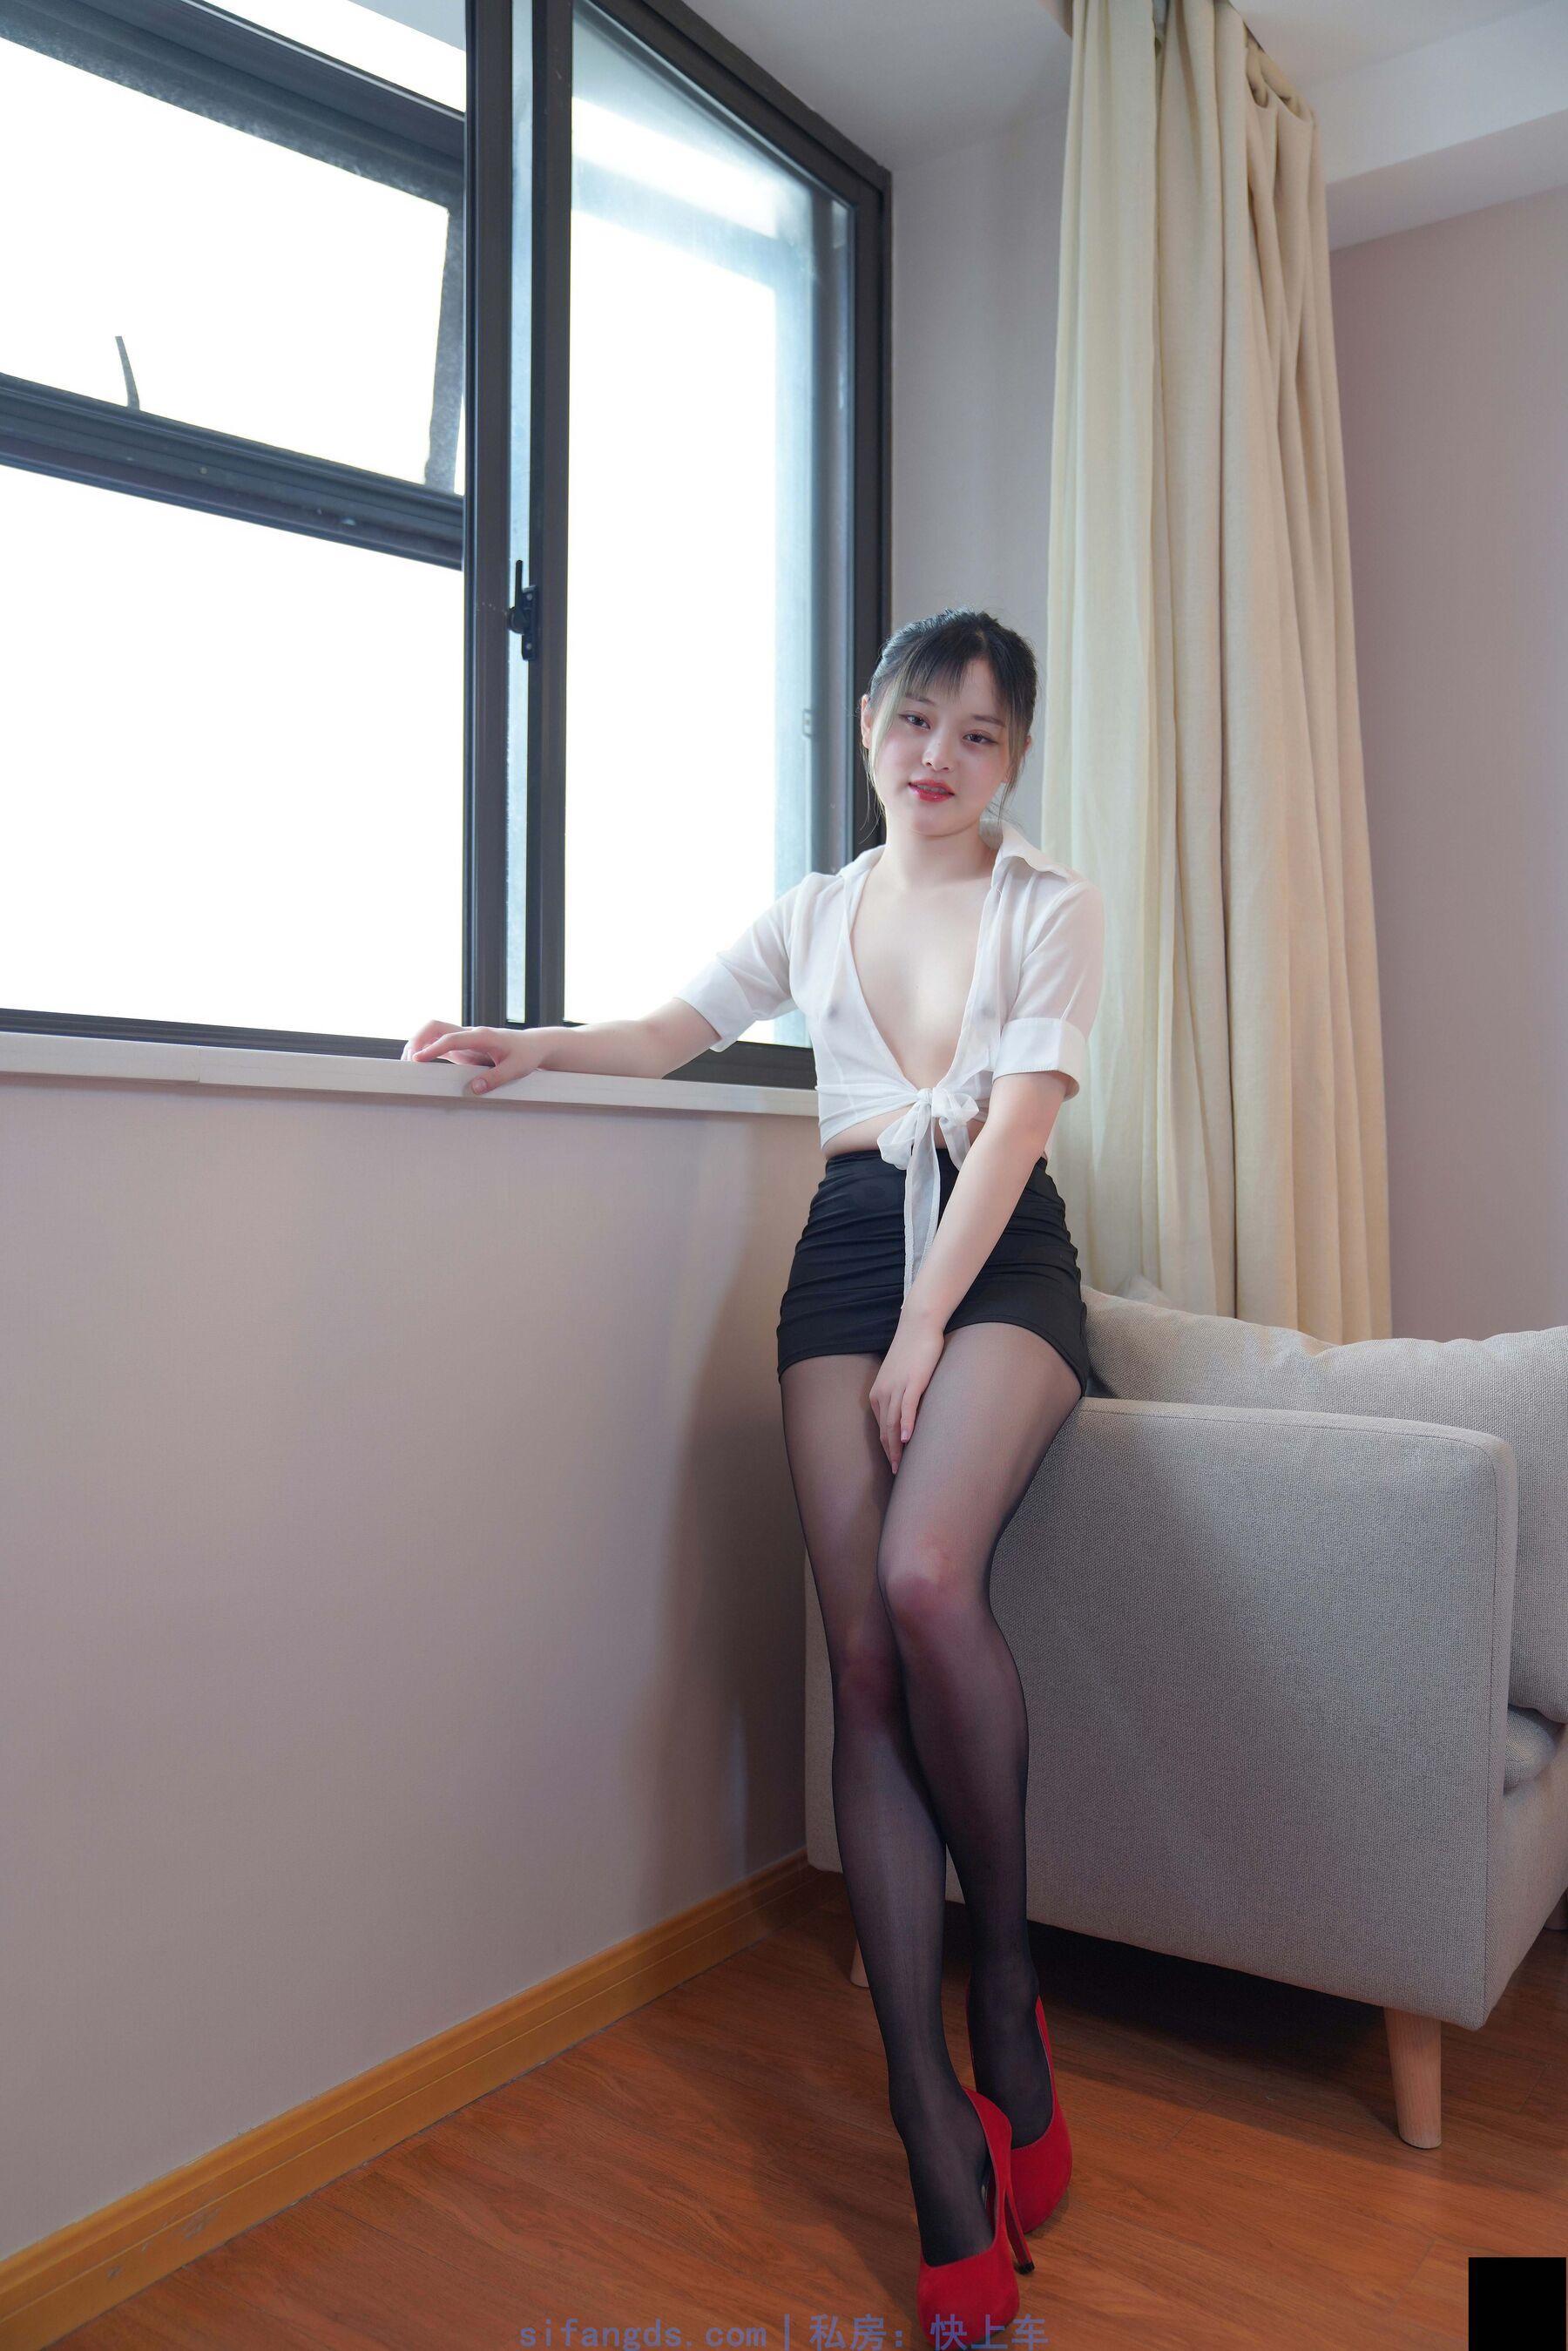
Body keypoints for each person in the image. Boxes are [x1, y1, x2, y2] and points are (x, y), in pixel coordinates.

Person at [404, 608, 1105, 2342]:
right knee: (858, 1656)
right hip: (849, 1248)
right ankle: (928, 2119)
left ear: (1015, 760)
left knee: (927, 1582)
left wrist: (930, 1332)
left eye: (980, 734)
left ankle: (1006, 1988)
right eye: (916, 720)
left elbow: (1017, 1128)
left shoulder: (1051, 905)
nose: (940, 757)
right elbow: (669, 1032)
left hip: (997, 1260)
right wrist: (524, 1043)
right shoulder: (814, 911)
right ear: (868, 725)